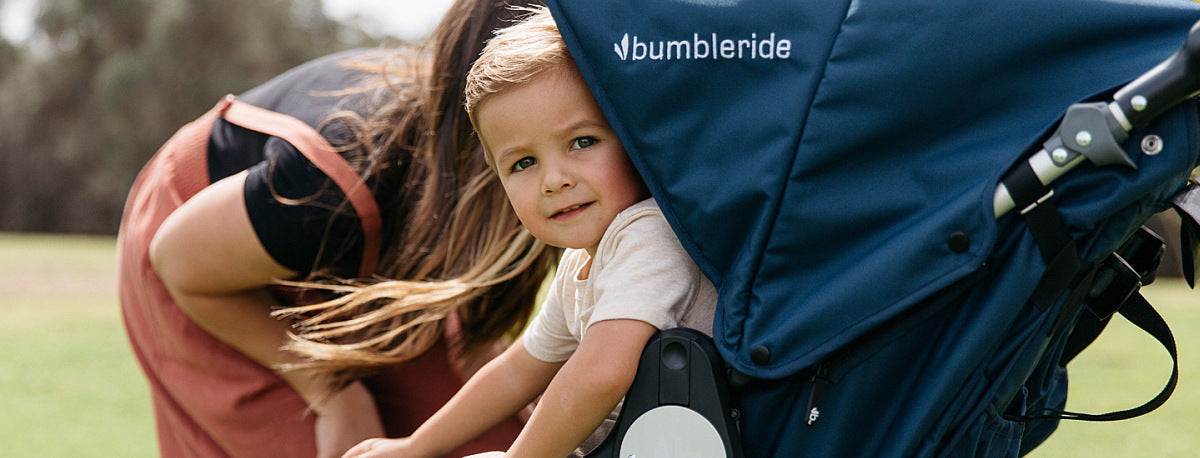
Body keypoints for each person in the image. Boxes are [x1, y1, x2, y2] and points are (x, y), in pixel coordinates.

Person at [114, 1, 556, 457]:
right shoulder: (338, 175)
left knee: (504, 437)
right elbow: (178, 260)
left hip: (352, 259)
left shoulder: (545, 154)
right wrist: (335, 393)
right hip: (207, 255)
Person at [340, 6, 717, 458]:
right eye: (523, 163)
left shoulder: (649, 235)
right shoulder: (580, 263)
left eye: (582, 142)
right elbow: (515, 374)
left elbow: (603, 372)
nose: (553, 180)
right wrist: (414, 447)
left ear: (633, 139)